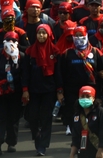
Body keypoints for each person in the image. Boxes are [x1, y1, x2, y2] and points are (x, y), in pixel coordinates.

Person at [24, 24, 63, 156]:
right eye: (39, 33)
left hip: (49, 90)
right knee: (33, 117)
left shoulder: (55, 51)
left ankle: (42, 146)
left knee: (46, 118)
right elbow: (25, 73)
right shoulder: (30, 52)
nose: (41, 35)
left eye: (44, 33)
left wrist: (59, 91)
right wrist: (25, 90)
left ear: (49, 35)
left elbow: (58, 73)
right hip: (33, 90)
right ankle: (37, 138)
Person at [0, 31, 26, 156]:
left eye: (13, 41)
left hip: (15, 92)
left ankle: (11, 142)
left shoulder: (21, 57)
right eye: (8, 40)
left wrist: (25, 91)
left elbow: (25, 75)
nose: (10, 44)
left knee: (13, 118)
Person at [69, 86, 103, 158]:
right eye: (82, 96)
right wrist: (72, 154)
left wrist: (101, 150)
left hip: (97, 150)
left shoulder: (100, 112)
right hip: (82, 152)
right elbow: (75, 136)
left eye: (88, 96)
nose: (85, 98)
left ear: (93, 98)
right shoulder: (77, 115)